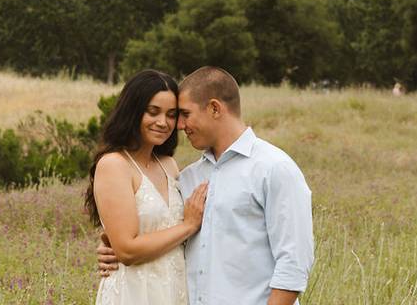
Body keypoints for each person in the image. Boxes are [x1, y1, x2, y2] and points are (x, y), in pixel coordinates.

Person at [98, 66, 314, 305]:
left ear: (214, 108)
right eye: (159, 113)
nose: (178, 125)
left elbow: (293, 264)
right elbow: (156, 229)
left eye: (182, 114)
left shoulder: (274, 168)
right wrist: (111, 246)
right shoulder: (189, 176)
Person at [86, 69, 210, 305]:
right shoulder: (114, 164)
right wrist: (188, 226)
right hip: (134, 291)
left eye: (171, 115)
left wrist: (106, 239)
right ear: (133, 112)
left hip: (174, 289)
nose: (163, 122)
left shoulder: (169, 165)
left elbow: (163, 228)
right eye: (153, 112)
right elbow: (127, 251)